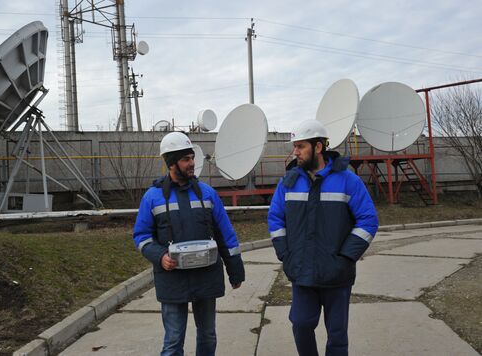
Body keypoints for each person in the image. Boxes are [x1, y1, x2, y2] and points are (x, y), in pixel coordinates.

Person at [267, 120, 378, 356]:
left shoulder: (348, 181)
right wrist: (286, 255)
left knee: (337, 335)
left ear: (318, 147)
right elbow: (275, 219)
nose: (295, 151)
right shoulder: (289, 182)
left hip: (337, 275)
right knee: (301, 325)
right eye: (294, 146)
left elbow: (368, 221)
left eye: (300, 146)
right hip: (302, 273)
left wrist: (345, 258)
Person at [133, 131, 245, 356]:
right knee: (173, 340)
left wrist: (235, 271)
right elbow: (142, 236)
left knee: (208, 335)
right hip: (172, 280)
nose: (192, 163)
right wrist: (160, 256)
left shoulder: (207, 193)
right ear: (171, 162)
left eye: (192, 157)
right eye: (186, 159)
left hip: (206, 277)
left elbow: (226, 235)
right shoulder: (152, 197)